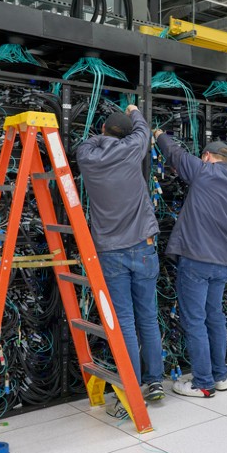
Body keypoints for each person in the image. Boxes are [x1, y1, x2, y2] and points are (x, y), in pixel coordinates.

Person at [75, 104, 165, 417]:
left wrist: (104, 136)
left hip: (110, 251)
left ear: (103, 131)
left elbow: (83, 143)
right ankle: (155, 382)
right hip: (143, 245)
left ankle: (131, 385)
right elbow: (142, 130)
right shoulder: (133, 149)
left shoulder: (89, 157)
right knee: (148, 318)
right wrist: (134, 110)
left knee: (124, 322)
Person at [152, 130, 227, 398]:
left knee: (195, 321)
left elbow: (176, 155)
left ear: (207, 157)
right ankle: (220, 376)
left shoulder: (204, 171)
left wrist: (158, 134)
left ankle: (203, 383)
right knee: (214, 318)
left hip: (197, 260)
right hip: (223, 261)